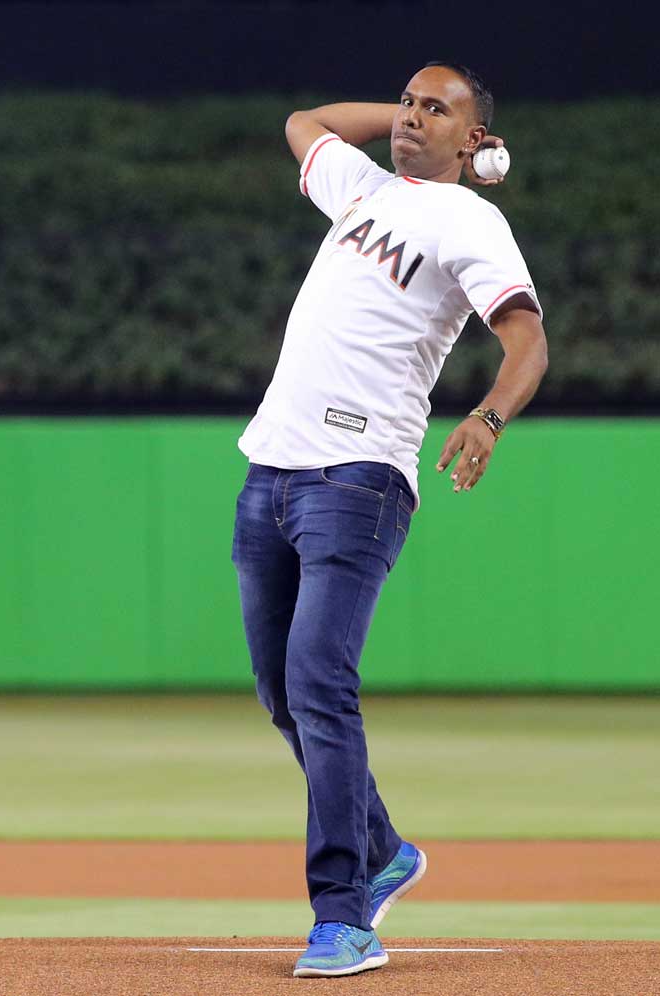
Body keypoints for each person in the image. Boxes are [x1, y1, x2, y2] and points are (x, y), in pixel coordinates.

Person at [231, 61, 548, 978]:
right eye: (408, 102)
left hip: (358, 482)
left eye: (434, 109)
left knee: (320, 685)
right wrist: (409, 122)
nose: (411, 117)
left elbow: (528, 340)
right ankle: (385, 852)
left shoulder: (471, 220)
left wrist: (488, 417)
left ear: (476, 140)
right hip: (270, 474)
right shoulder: (361, 189)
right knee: (282, 694)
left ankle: (344, 917)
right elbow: (303, 117)